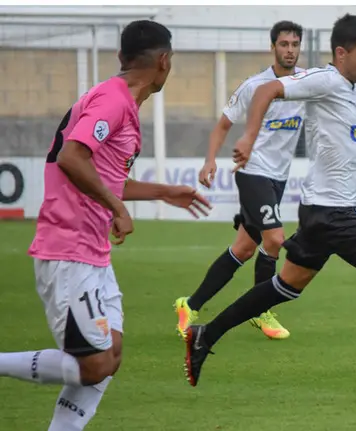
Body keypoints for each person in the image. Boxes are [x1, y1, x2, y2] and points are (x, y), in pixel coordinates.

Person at [182, 13, 356, 391]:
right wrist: (250, 137)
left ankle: (206, 334)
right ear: (341, 52)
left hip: (324, 212)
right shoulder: (325, 79)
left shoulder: (355, 88)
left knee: (285, 286)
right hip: (333, 214)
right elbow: (266, 91)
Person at [0, 20, 211, 430]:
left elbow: (105, 176)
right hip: (68, 250)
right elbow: (72, 157)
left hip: (92, 254)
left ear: (121, 57)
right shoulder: (112, 101)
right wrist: (116, 206)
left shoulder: (119, 103)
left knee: (109, 356)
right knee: (94, 363)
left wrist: (164, 192)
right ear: (164, 62)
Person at [174, 20, 306, 342]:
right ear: (272, 46)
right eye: (284, 44)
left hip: (279, 177)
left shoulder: (306, 83)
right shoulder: (254, 86)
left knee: (245, 249)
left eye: (294, 44)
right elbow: (222, 125)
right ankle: (261, 311)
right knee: (274, 240)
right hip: (252, 172)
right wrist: (210, 161)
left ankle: (189, 305)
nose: (289, 50)